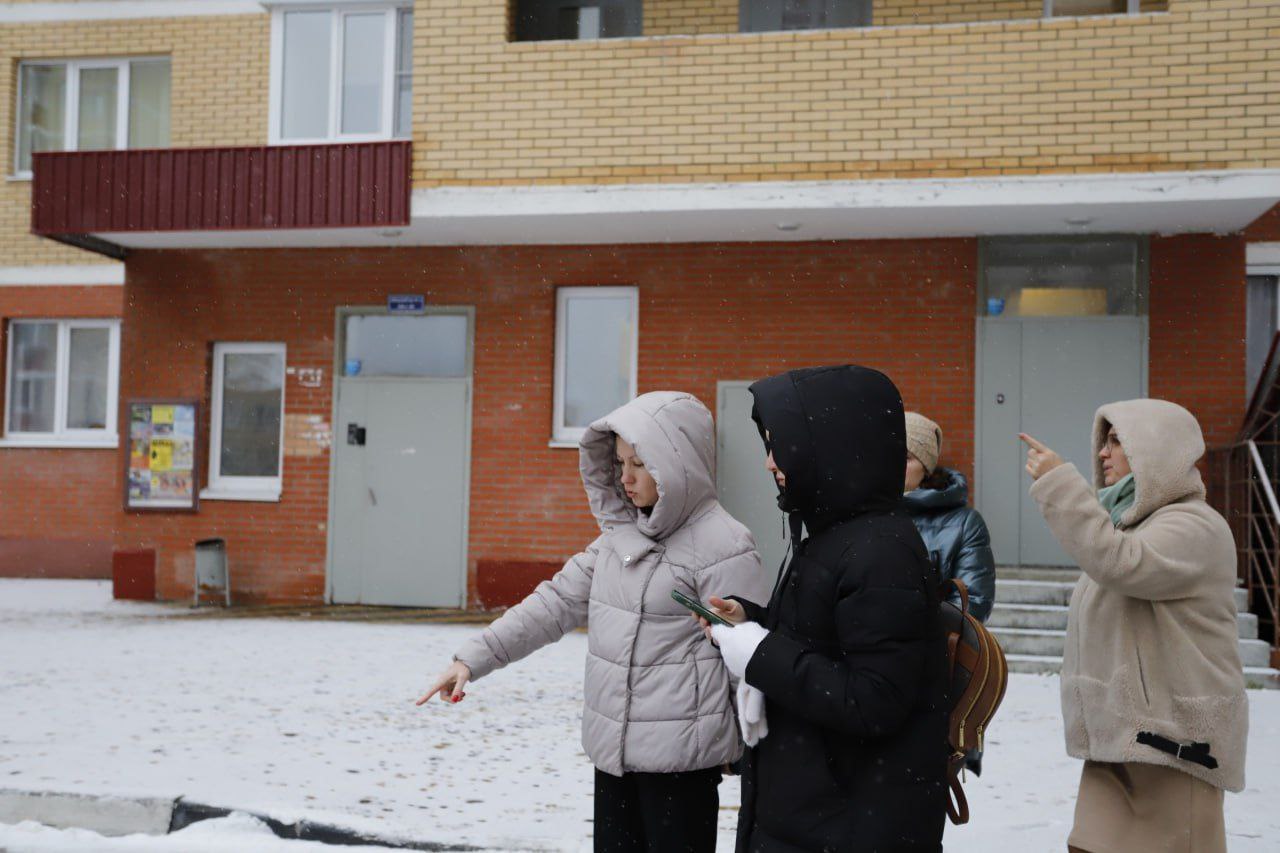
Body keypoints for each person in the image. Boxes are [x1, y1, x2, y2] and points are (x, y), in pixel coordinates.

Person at [418, 391, 771, 853]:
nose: (625, 477)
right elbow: (553, 603)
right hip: (614, 758)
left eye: (640, 464)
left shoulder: (724, 545)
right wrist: (472, 659)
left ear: (677, 464)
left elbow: (746, 659)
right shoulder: (617, 541)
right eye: (620, 462)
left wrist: (751, 749)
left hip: (681, 766)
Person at [698, 365, 949, 852]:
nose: (770, 463)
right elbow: (824, 641)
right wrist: (752, 622)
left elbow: (873, 700)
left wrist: (760, 652)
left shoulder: (880, 553)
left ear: (829, 446)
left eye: (780, 447)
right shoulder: (837, 536)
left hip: (848, 825)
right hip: (815, 815)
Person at [1020, 399, 1248, 853]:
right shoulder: (1129, 526)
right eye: (1103, 441)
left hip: (1174, 746)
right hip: (1121, 740)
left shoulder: (1195, 527)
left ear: (1156, 450)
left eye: (1117, 441)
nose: (1103, 453)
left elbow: (1119, 563)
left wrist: (1059, 484)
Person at [902, 412, 995, 622]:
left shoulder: (965, 524)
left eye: (906, 458)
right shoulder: (862, 513)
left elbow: (972, 603)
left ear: (926, 468)